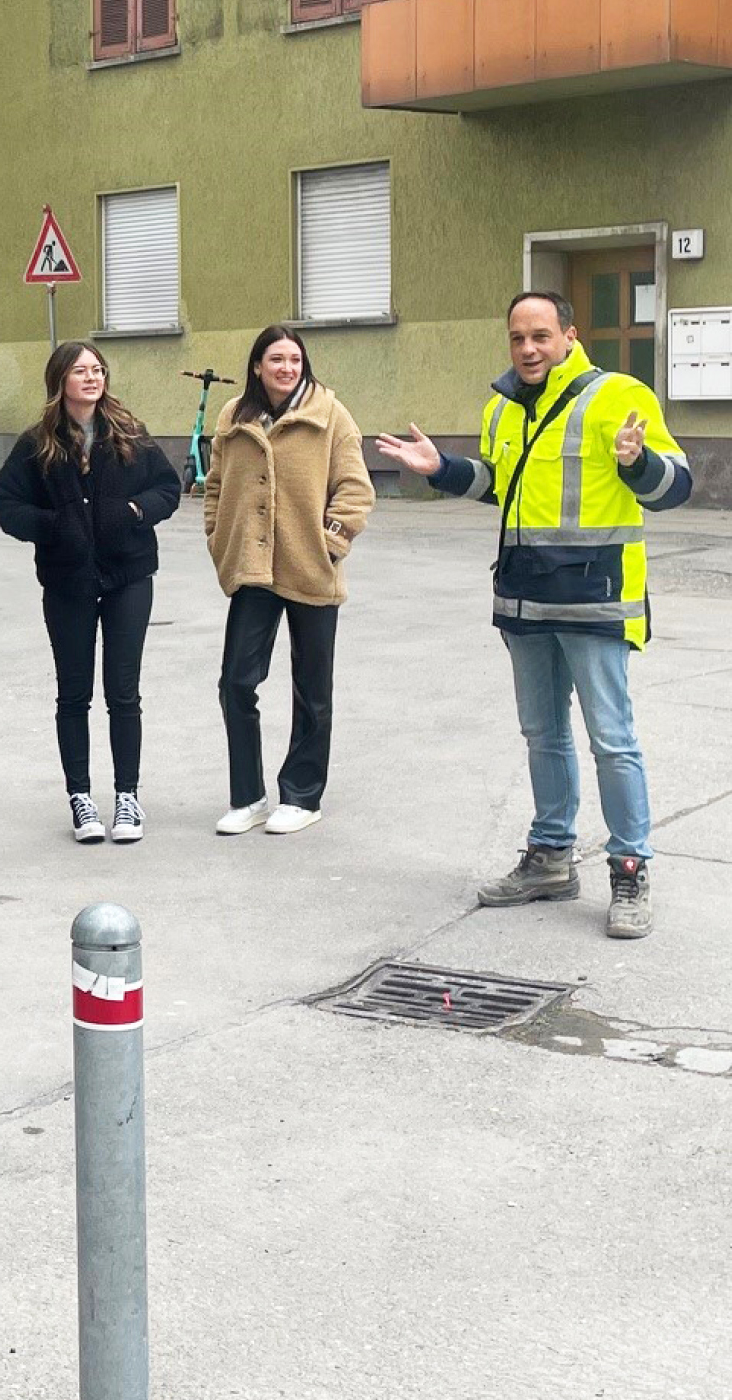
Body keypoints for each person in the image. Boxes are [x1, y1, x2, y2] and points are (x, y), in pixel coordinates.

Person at [376, 290, 691, 938]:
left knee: (613, 740)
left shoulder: (616, 396)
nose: (528, 348)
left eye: (541, 335)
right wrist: (441, 469)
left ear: (569, 336)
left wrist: (638, 462)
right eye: (518, 337)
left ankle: (630, 866)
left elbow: (675, 488)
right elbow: (498, 483)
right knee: (541, 735)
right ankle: (550, 857)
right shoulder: (502, 408)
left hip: (594, 597)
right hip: (524, 597)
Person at [0, 342, 180, 844]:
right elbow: (6, 504)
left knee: (124, 693)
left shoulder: (129, 433)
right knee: (74, 694)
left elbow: (167, 488)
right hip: (68, 583)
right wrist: (54, 527)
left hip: (128, 579)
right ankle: (80, 798)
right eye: (81, 371)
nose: (92, 378)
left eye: (98, 370)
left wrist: (136, 512)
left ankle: (127, 798)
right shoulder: (38, 444)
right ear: (60, 381)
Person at [204, 324, 374, 837]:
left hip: (310, 568)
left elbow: (355, 488)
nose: (286, 368)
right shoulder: (234, 416)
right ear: (258, 366)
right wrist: (218, 536)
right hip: (252, 570)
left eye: (294, 360)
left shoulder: (330, 415)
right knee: (236, 682)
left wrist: (331, 543)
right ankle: (248, 796)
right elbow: (215, 485)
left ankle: (302, 796)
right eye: (276, 359)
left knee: (312, 687)